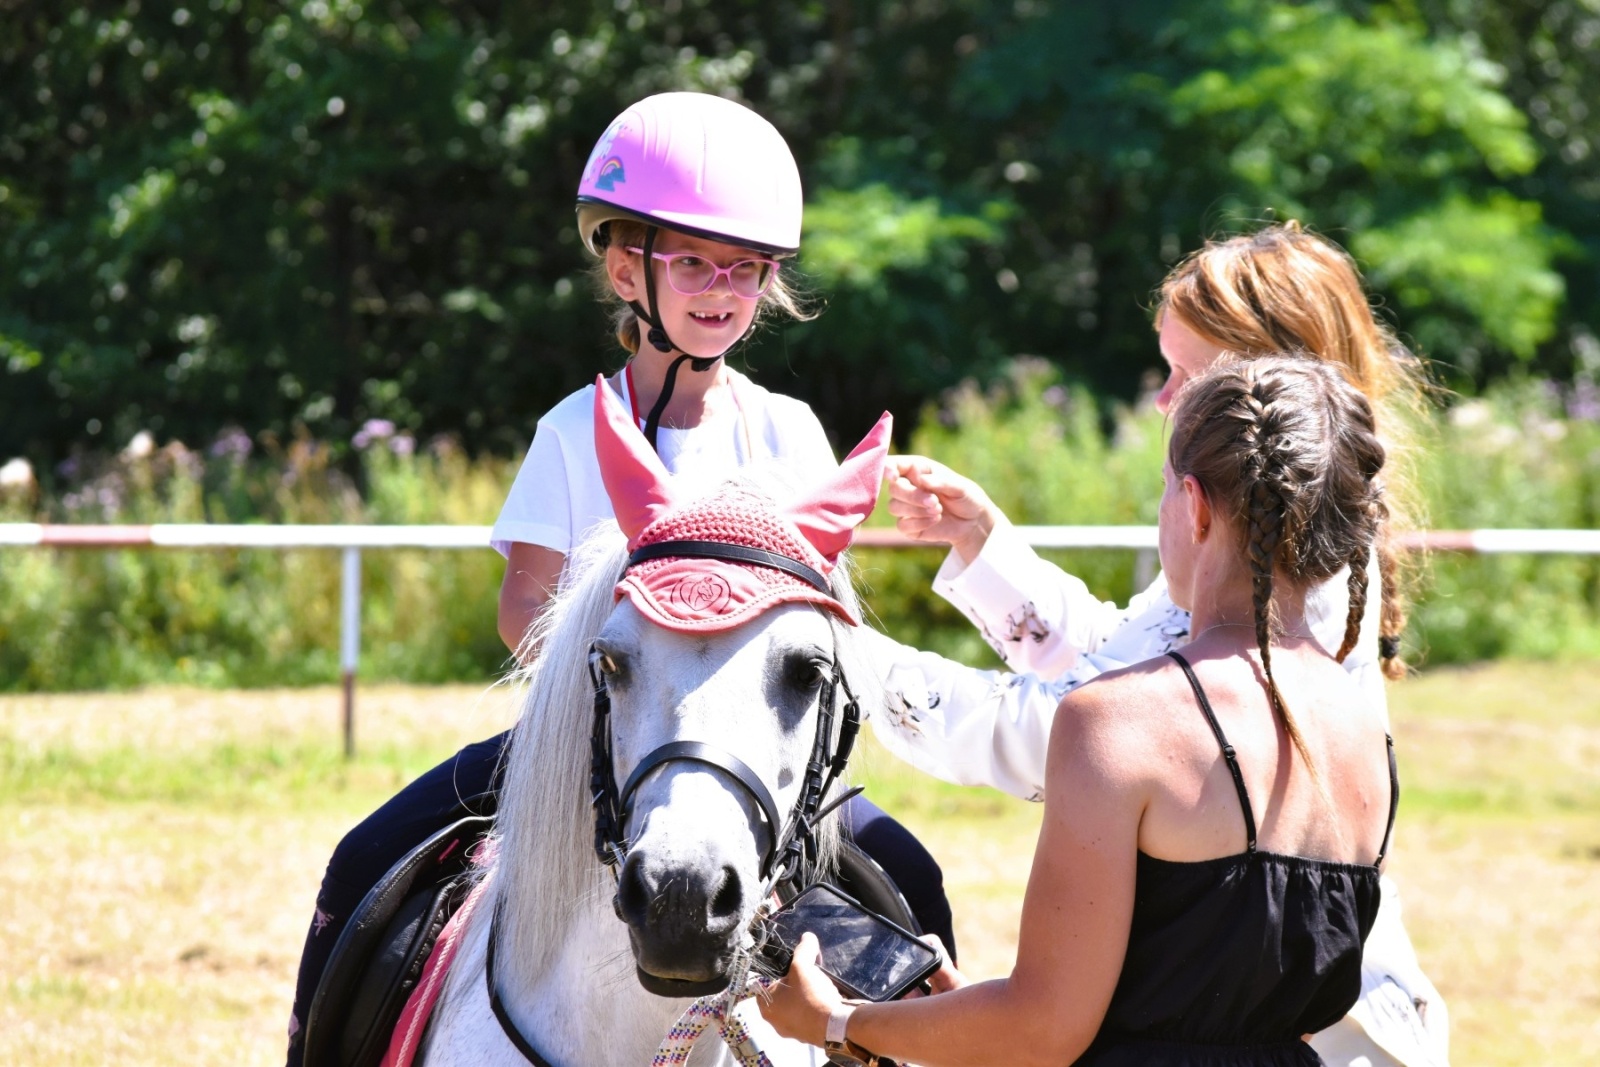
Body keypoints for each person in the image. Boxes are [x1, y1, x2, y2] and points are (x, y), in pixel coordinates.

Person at [284, 91, 952, 1063]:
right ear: (621, 261)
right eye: (692, 261)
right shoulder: (569, 431)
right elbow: (525, 600)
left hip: (755, 761)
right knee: (366, 860)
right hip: (588, 742)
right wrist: (605, 651)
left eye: (747, 267)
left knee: (910, 878)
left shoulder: (788, 432)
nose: (722, 287)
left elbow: (820, 618)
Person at [864, 223, 1446, 1066]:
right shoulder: (1286, 552)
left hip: (1309, 1030)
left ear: (1267, 383)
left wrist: (839, 660)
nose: (1164, 398)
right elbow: (1130, 661)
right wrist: (986, 547)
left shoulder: (1290, 584)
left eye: (1186, 372)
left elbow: (1082, 726)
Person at [763, 355, 1402, 1066]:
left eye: (1163, 488)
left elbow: (1042, 1028)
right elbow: (1234, 999)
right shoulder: (1365, 734)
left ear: (1194, 505)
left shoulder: (1119, 723)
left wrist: (838, 1018)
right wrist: (967, 1012)